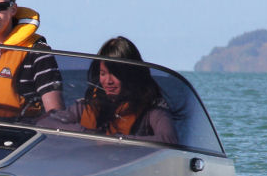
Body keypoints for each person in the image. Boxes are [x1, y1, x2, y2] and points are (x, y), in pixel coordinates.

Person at [39, 36, 178, 144]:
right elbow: (45, 123)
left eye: (115, 74)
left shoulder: (153, 110)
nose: (108, 81)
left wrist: (117, 140)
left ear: (131, 74)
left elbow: (169, 139)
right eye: (103, 73)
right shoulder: (90, 105)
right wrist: (88, 134)